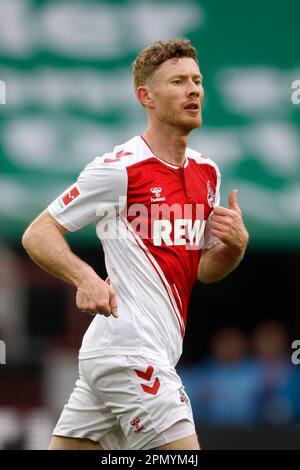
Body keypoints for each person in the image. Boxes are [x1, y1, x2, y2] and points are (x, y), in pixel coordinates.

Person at [22, 38, 249, 450]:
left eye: (197, 81)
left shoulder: (207, 172)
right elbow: (38, 233)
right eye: (178, 82)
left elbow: (201, 269)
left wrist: (234, 247)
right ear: (146, 96)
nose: (194, 90)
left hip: (124, 350)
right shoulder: (120, 170)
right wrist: (85, 277)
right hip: (130, 349)